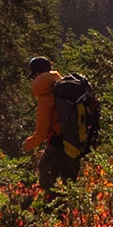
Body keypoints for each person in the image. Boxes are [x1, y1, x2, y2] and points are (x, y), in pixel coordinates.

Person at [21, 55, 79, 190]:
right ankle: (70, 209)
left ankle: (50, 209)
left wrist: (27, 145)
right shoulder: (64, 87)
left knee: (47, 182)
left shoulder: (46, 97)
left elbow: (41, 134)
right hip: (76, 141)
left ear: (36, 74)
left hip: (57, 145)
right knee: (71, 186)